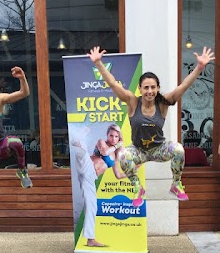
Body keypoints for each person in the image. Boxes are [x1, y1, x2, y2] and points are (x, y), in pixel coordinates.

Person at [88, 46, 215, 207]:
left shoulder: (163, 102)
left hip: (158, 149)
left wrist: (200, 67)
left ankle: (176, 185)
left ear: (158, 88)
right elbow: (113, 84)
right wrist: (98, 63)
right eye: (146, 87)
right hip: (139, 151)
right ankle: (137, 187)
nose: (150, 91)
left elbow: (183, 87)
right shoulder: (132, 102)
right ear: (140, 89)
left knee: (178, 149)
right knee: (123, 156)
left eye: (153, 87)